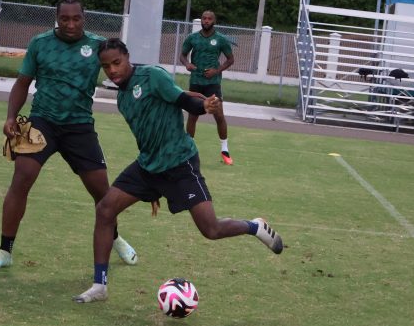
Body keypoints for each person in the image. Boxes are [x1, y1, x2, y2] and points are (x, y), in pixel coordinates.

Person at [73, 39, 283, 303]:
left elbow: (184, 100)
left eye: (117, 62)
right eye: (106, 67)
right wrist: (152, 188)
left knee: (211, 229)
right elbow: (145, 138)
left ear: (127, 57)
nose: (112, 70)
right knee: (105, 209)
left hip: (180, 163)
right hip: (148, 166)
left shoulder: (152, 76)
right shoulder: (123, 99)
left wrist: (204, 107)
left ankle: (254, 227)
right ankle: (99, 285)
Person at [0, 0, 137, 271]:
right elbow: (21, 84)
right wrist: (9, 117)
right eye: (64, 18)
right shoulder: (39, 43)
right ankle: (4, 251)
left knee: (102, 191)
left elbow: (120, 70)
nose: (70, 24)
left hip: (80, 125)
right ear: (56, 18)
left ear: (84, 18)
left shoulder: (96, 45)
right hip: (41, 120)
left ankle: (115, 238)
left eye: (76, 18)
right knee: (21, 178)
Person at [179, 10, 235, 165]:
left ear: (214, 21)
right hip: (196, 82)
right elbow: (182, 55)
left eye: (209, 18)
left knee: (218, 115)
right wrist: (187, 64)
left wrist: (216, 71)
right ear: (201, 21)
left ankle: (225, 150)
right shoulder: (192, 38)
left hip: (213, 83)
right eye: (204, 18)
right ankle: (188, 152)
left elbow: (231, 60)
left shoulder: (220, 39)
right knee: (192, 116)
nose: (206, 21)